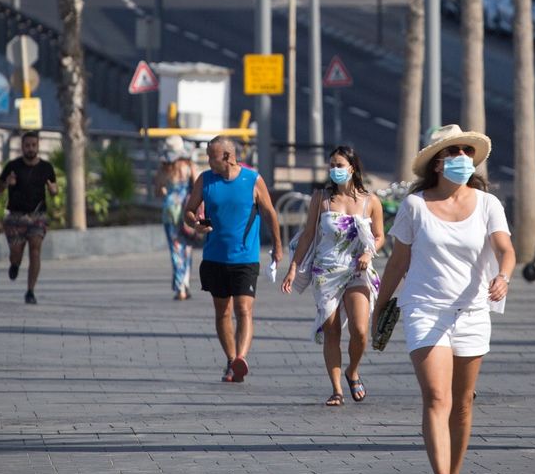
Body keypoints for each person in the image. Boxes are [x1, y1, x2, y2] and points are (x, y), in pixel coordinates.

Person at [372, 124, 515, 474]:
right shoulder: (415, 206)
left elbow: (505, 248)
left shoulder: (487, 204)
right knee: (438, 397)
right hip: (425, 308)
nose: (463, 159)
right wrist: (379, 307)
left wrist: (503, 275)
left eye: (467, 152)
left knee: (463, 404)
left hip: (472, 312)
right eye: (454, 152)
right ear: (437, 162)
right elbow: (399, 261)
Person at [281, 146, 385, 406]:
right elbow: (307, 235)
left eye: (339, 165)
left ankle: (353, 371)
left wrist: (369, 254)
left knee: (360, 330)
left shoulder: (370, 201)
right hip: (326, 270)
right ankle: (337, 389)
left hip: (357, 269)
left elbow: (381, 236)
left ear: (352, 167)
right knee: (332, 331)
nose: (334, 170)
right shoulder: (322, 198)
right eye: (332, 165)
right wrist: (293, 268)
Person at [183, 135, 283, 383]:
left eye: (211, 156)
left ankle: (241, 358)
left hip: (245, 258)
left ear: (227, 157)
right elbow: (188, 210)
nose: (208, 161)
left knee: (243, 309)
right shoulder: (205, 180)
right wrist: (195, 224)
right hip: (215, 257)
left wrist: (278, 246)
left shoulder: (253, 180)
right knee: (222, 312)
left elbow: (270, 213)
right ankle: (231, 360)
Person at [0, 131, 58, 305]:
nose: (30, 149)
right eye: (27, 145)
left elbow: (54, 189)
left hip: (37, 215)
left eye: (33, 145)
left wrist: (53, 191)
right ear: (22, 147)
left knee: (35, 250)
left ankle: (30, 291)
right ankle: (14, 264)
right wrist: (6, 182)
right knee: (16, 254)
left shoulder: (46, 168)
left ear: (38, 146)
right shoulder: (13, 166)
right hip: (16, 216)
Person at [154, 135, 200, 301]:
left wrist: (168, 191)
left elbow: (158, 191)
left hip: (170, 211)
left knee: (175, 249)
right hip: (188, 210)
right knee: (187, 248)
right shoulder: (189, 166)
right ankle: (185, 283)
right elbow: (198, 187)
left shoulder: (164, 169)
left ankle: (180, 287)